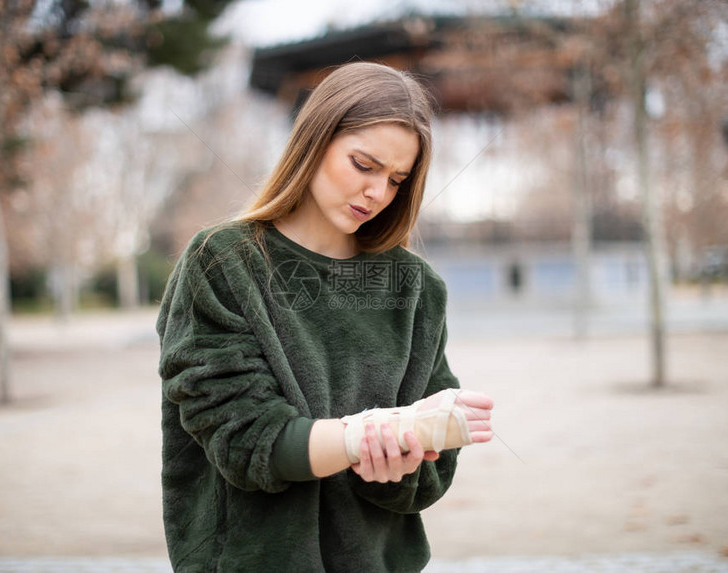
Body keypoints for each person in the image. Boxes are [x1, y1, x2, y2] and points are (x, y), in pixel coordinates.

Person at [156, 61, 494, 573]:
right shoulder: (221, 262)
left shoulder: (417, 288)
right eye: (364, 165)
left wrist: (404, 458)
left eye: (397, 180)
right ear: (315, 141)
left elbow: (431, 477)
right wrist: (367, 436)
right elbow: (246, 441)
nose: (377, 193)